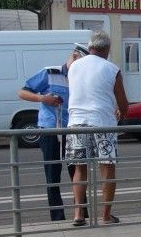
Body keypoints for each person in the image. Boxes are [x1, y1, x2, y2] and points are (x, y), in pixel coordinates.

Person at [18, 43, 89, 221]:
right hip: (50, 131)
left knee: (77, 174)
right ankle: (57, 218)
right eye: (81, 62)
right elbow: (23, 92)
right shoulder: (50, 73)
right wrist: (43, 98)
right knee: (52, 176)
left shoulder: (83, 77)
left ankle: (81, 214)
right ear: (73, 56)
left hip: (73, 130)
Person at [65, 30, 129, 226]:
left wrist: (74, 56)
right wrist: (121, 113)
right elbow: (123, 103)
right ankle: (106, 215)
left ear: (89, 47)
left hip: (76, 122)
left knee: (79, 168)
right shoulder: (112, 69)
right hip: (102, 122)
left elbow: (71, 71)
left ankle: (78, 214)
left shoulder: (73, 67)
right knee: (107, 168)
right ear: (107, 49)